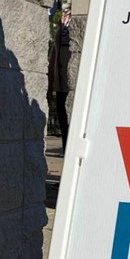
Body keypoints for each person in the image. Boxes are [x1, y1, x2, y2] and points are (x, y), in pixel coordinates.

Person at [49, 9, 72, 154]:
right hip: (60, 82)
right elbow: (55, 52)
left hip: (71, 82)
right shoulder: (63, 23)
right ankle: (66, 148)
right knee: (63, 119)